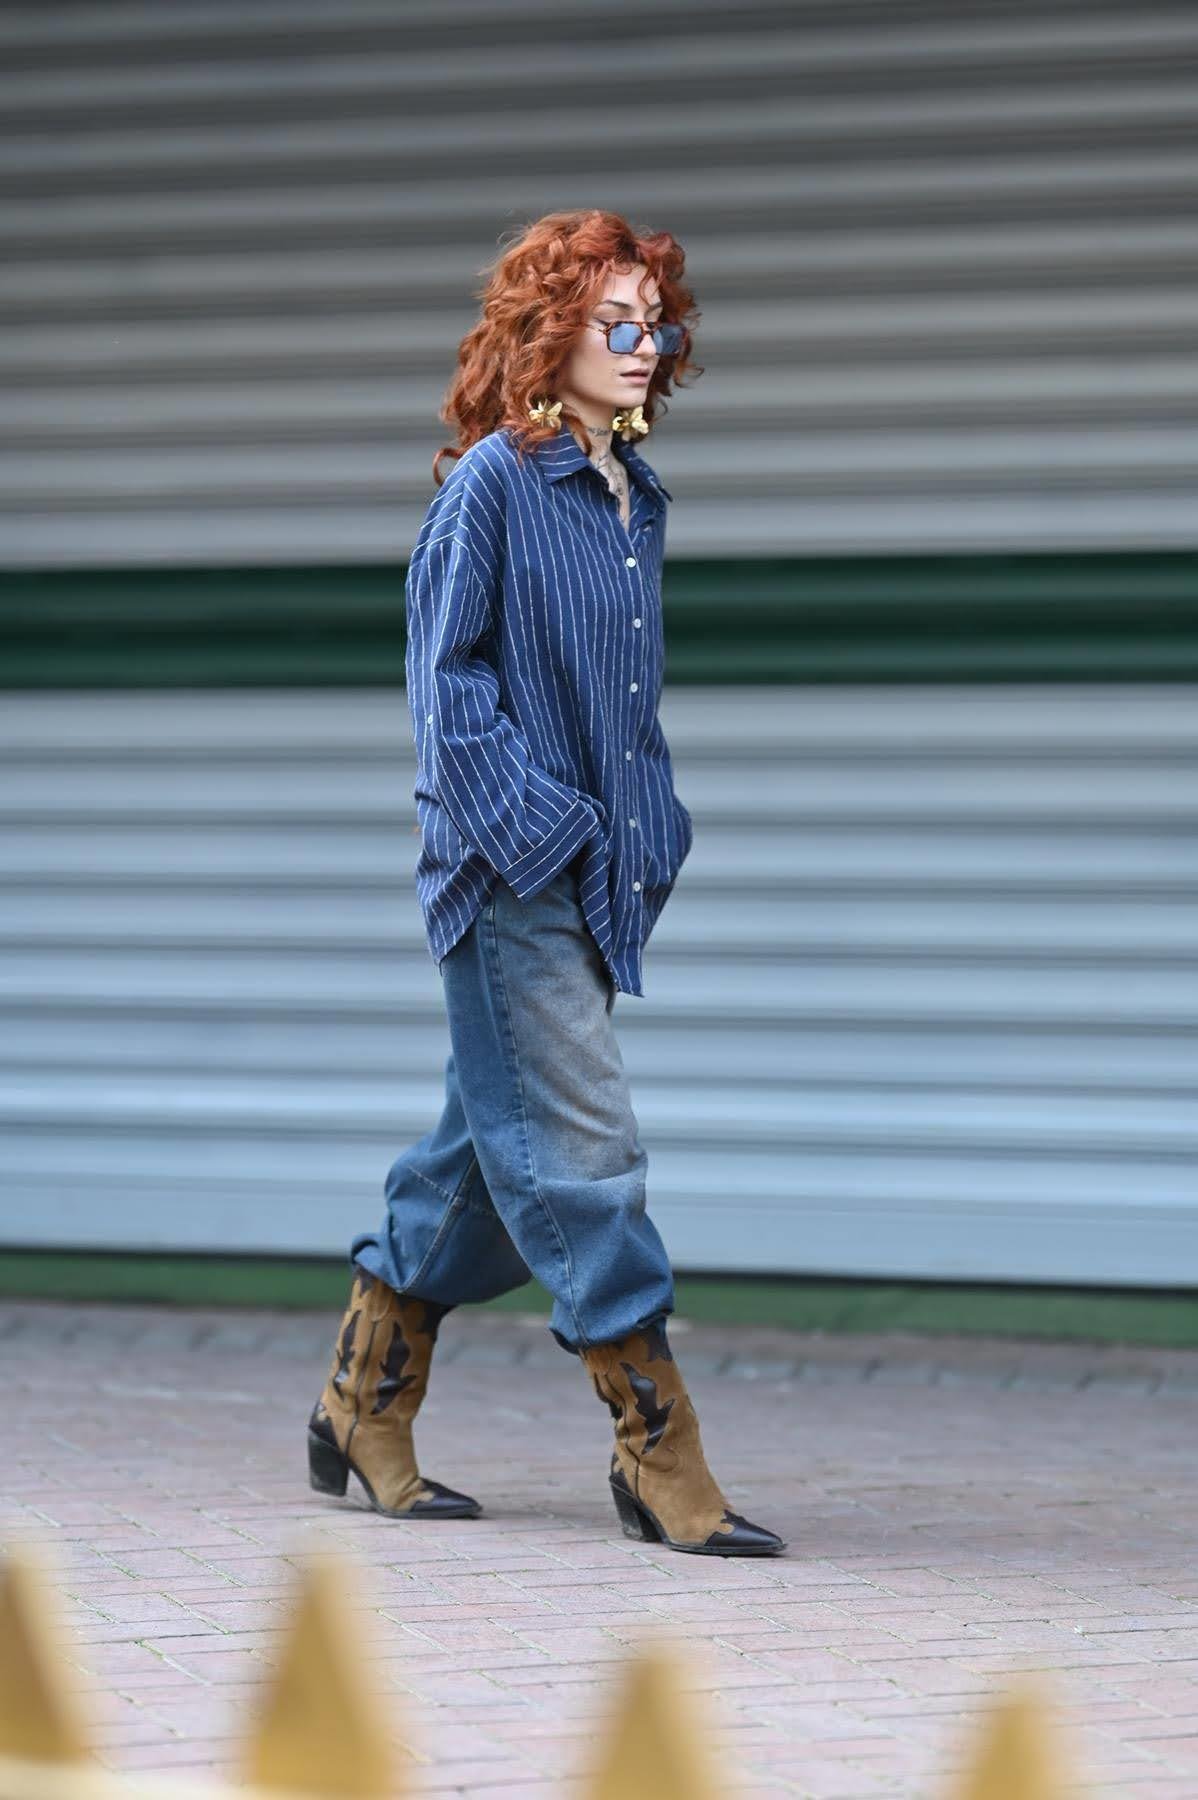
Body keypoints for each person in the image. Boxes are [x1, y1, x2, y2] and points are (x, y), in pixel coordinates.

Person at [307, 209, 785, 1557]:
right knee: (582, 1157)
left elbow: (622, 707)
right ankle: (658, 1454)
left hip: (596, 875)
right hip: (510, 870)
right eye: (612, 321)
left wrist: (649, 828)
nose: (641, 346)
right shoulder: (494, 484)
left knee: (481, 1163)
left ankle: (359, 1401)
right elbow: (446, 688)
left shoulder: (634, 500)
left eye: (656, 326)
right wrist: (543, 830)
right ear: (548, 333)